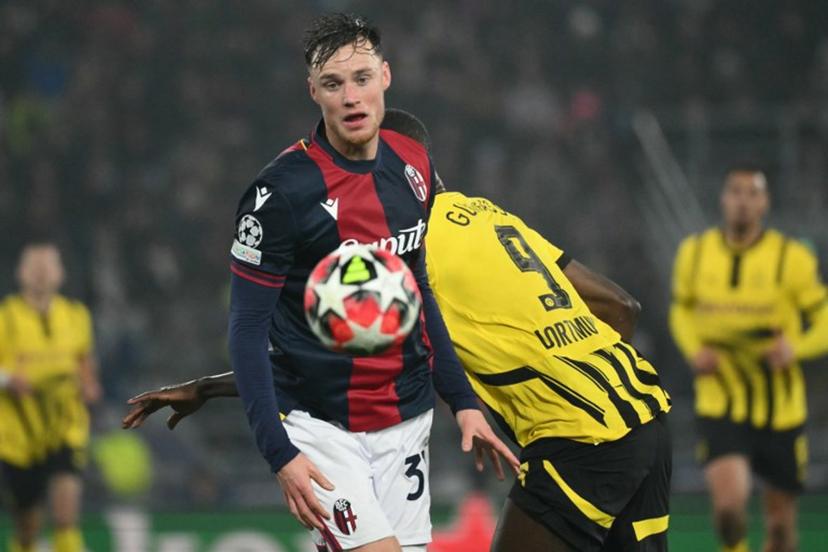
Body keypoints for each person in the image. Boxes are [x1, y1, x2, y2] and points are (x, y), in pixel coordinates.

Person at [126, 109, 673, 552]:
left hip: (580, 436)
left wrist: (209, 387)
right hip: (648, 408)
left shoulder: (401, 254)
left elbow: (313, 370)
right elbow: (622, 307)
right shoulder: (490, 215)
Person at [224, 14, 516, 552]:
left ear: (386, 76)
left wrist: (462, 399)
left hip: (406, 420)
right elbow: (246, 329)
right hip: (320, 425)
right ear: (314, 92)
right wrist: (280, 454)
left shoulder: (415, 164)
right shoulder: (279, 194)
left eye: (361, 78)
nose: (351, 97)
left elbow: (419, 291)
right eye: (333, 85)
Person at [669, 167, 828, 552]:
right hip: (721, 401)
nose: (742, 200)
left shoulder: (790, 258)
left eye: (752, 193)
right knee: (728, 511)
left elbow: (823, 318)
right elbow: (681, 310)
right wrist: (694, 350)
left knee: (780, 531)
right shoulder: (695, 253)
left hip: (781, 411)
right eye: (735, 191)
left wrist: (796, 348)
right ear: (723, 199)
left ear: (764, 203)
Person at [0, 242, 102, 552]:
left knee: (65, 512)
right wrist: (7, 380)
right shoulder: (6, 317)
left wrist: (89, 384)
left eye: (48, 266)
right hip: (19, 435)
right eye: (35, 266)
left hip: (64, 427)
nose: (42, 273)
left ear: (60, 274)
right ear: (21, 273)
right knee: (28, 524)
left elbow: (84, 359)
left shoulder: (76, 316)